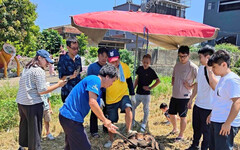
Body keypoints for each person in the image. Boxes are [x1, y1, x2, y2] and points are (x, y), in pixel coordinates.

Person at [59, 64, 118, 150]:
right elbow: (92, 103)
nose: (112, 84)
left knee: (71, 146)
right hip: (71, 118)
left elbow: (96, 108)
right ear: (107, 77)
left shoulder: (98, 88)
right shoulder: (95, 80)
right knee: (85, 147)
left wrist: (107, 124)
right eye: (113, 81)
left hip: (67, 117)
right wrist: (105, 120)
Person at [16, 49, 66, 150]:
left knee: (25, 126)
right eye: (46, 61)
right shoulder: (39, 71)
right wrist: (58, 85)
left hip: (22, 102)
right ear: (39, 58)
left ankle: (22, 146)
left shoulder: (27, 68)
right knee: (35, 130)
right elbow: (42, 90)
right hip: (33, 104)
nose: (48, 63)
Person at [206, 50, 240, 150]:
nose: (213, 70)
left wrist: (228, 123)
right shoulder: (223, 78)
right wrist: (212, 113)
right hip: (217, 120)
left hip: (224, 124)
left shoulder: (232, 80)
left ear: (224, 64)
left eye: (214, 67)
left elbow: (237, 102)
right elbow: (221, 99)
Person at [186, 46, 217, 150]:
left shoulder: (216, 71)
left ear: (207, 57)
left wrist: (210, 71)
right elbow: (197, 86)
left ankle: (204, 148)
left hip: (208, 107)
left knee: (207, 132)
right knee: (196, 128)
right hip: (198, 105)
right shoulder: (200, 69)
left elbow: (215, 88)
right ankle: (194, 146)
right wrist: (191, 99)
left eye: (200, 57)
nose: (199, 59)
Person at [104, 49, 136, 148]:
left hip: (123, 94)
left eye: (116, 61)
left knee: (128, 108)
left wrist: (132, 94)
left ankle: (129, 130)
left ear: (119, 59)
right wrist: (100, 98)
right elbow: (101, 84)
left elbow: (129, 81)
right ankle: (111, 139)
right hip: (111, 98)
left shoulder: (125, 67)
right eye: (112, 61)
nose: (114, 63)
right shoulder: (105, 70)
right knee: (111, 120)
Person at [169, 46, 198, 141]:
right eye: (180, 56)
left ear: (189, 55)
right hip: (175, 94)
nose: (182, 58)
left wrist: (190, 87)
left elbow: (198, 81)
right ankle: (175, 128)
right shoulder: (177, 65)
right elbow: (173, 75)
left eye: (184, 56)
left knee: (182, 116)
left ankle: (181, 134)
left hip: (185, 96)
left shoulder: (193, 67)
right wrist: (173, 81)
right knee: (171, 114)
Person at [132, 54, 160, 132]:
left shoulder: (151, 71)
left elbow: (158, 81)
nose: (145, 64)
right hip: (138, 93)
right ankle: (132, 121)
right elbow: (137, 79)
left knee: (146, 109)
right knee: (132, 107)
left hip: (146, 94)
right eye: (144, 62)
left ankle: (143, 124)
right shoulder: (140, 69)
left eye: (147, 62)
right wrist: (133, 89)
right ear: (142, 61)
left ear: (150, 62)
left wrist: (150, 87)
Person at [87, 47, 108, 138]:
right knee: (95, 110)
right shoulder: (92, 67)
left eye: (106, 56)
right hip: (95, 92)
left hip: (107, 92)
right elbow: (89, 80)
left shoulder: (108, 67)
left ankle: (106, 127)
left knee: (107, 110)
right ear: (98, 56)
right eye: (102, 56)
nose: (104, 58)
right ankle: (94, 130)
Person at [58, 37, 82, 103]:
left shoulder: (78, 58)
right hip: (67, 92)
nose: (76, 50)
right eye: (74, 48)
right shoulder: (63, 59)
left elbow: (80, 72)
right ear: (68, 47)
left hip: (77, 90)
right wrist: (71, 76)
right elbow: (61, 78)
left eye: (77, 48)